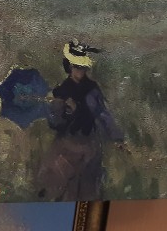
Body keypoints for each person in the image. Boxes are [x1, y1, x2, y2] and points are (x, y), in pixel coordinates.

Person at [36, 39, 124, 201]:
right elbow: (55, 123)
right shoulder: (61, 91)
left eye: (83, 67)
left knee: (88, 188)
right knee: (65, 186)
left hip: (89, 145)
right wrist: (64, 110)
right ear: (70, 67)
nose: (80, 71)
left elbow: (102, 113)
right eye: (77, 67)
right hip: (67, 146)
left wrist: (117, 137)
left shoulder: (92, 89)